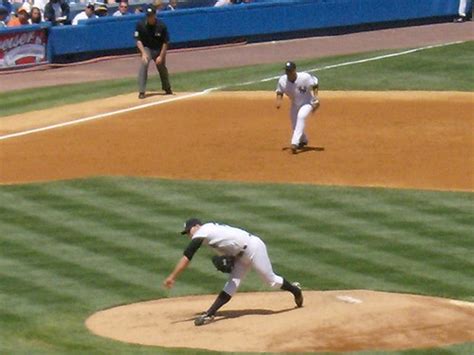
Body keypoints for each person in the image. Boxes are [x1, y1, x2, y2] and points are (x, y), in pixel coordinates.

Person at [164, 219, 303, 326]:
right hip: (241, 256)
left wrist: (172, 277)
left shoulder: (203, 231)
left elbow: (188, 256)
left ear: (196, 226)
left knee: (271, 281)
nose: (189, 234)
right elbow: (230, 246)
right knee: (231, 284)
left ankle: (295, 290)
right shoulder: (210, 235)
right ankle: (209, 313)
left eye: (189, 231)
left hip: (254, 248)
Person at [275, 61, 320, 155]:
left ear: (294, 70)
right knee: (295, 124)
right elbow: (280, 91)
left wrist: (316, 97)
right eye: (286, 71)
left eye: (290, 71)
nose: (288, 73)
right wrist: (279, 101)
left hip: (307, 102)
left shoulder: (304, 77)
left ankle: (294, 143)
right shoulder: (282, 80)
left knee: (301, 117)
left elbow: (315, 84)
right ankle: (303, 140)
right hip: (295, 104)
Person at [134, 5, 172, 99]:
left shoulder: (161, 25)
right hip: (147, 48)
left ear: (155, 15)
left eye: (151, 15)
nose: (149, 17)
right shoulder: (141, 25)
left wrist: (161, 56)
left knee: (161, 66)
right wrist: (143, 53)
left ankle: (167, 88)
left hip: (159, 49)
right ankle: (142, 91)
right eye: (148, 16)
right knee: (144, 63)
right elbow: (138, 40)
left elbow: (165, 42)